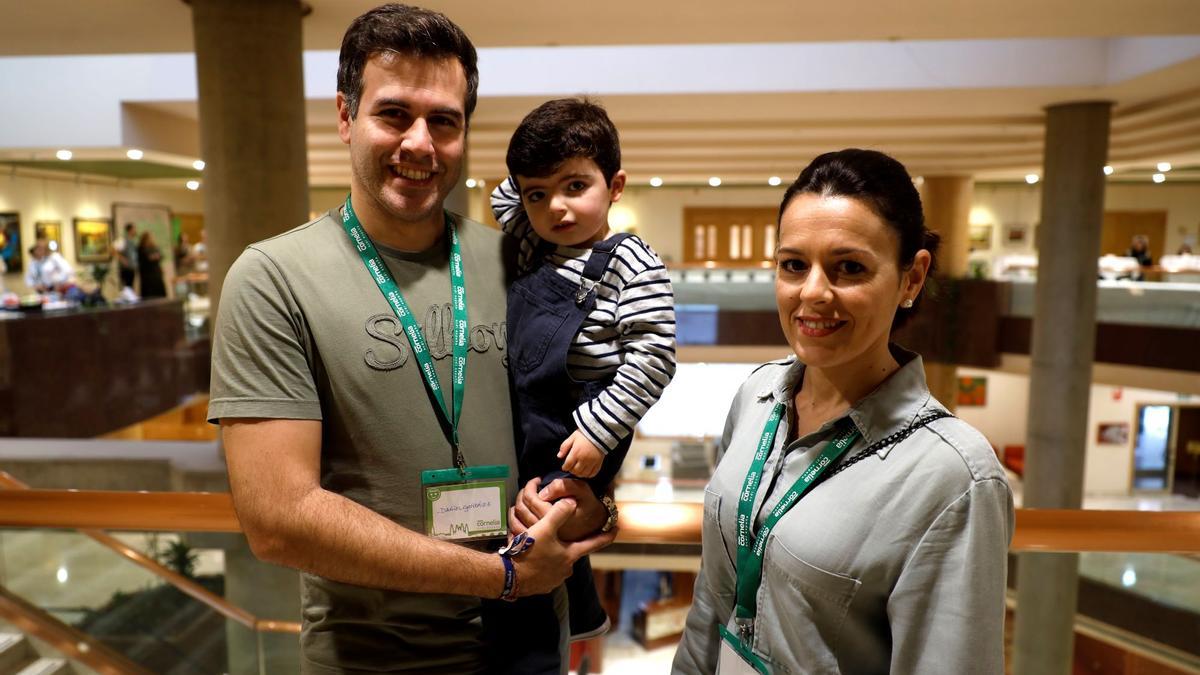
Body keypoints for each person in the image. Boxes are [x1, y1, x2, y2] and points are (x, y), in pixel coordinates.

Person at [207, 5, 614, 674]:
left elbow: (573, 424)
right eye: (394, 114)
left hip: (529, 645)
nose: (420, 143)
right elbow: (278, 517)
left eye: (445, 121)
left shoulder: (522, 260)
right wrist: (500, 576)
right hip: (374, 658)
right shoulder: (273, 279)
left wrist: (592, 500)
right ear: (345, 117)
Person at [673, 149, 1014, 675]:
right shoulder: (757, 394)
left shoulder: (953, 475)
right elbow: (711, 603)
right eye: (793, 265)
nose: (812, 292)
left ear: (911, 278)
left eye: (848, 267)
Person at [486, 98, 677, 671]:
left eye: (576, 186)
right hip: (527, 415)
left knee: (540, 535)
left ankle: (559, 645)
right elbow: (503, 196)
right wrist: (535, 170)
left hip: (580, 427)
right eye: (539, 193)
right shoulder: (530, 237)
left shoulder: (630, 263)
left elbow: (653, 358)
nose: (557, 208)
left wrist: (597, 434)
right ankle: (571, 619)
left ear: (615, 185)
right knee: (516, 528)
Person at [137, 231, 167, 298]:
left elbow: (160, 255)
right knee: (150, 292)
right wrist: (154, 257)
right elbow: (147, 258)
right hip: (147, 273)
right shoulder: (141, 248)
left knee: (159, 290)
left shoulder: (154, 247)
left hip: (156, 271)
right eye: (149, 238)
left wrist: (156, 257)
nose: (151, 239)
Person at [116, 222, 139, 290]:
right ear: (130, 230)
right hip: (126, 269)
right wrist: (122, 259)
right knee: (127, 287)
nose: (135, 230)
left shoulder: (133, 241)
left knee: (131, 287)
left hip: (132, 267)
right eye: (134, 229)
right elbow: (113, 249)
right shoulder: (123, 240)